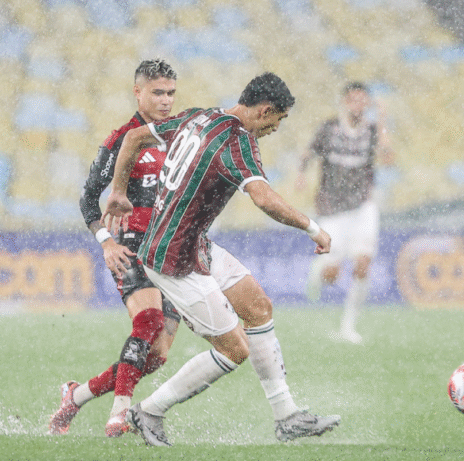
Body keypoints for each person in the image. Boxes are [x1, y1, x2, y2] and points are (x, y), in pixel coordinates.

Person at [103, 72, 341, 446]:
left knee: (258, 307)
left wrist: (118, 192)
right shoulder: (237, 141)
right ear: (265, 111)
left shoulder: (200, 116)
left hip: (193, 243)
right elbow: (263, 199)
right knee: (234, 349)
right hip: (173, 260)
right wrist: (313, 228)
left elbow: (133, 137)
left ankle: (287, 416)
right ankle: (148, 410)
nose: (276, 128)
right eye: (278, 120)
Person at [49, 59, 181, 437]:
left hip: (170, 249)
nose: (166, 101)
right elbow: (89, 199)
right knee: (149, 321)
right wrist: (105, 242)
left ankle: (75, 397)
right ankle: (119, 415)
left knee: (156, 356)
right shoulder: (122, 138)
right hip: (131, 243)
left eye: (171, 93)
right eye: (158, 92)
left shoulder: (176, 135)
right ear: (137, 92)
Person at [297, 81, 395, 344]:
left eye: (363, 100)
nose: (357, 105)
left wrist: (383, 119)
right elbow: (308, 154)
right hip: (332, 207)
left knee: (363, 263)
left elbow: (388, 158)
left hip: (363, 204)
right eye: (352, 99)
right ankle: (319, 270)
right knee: (332, 275)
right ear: (344, 102)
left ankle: (348, 327)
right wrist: (301, 175)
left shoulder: (373, 130)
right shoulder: (329, 129)